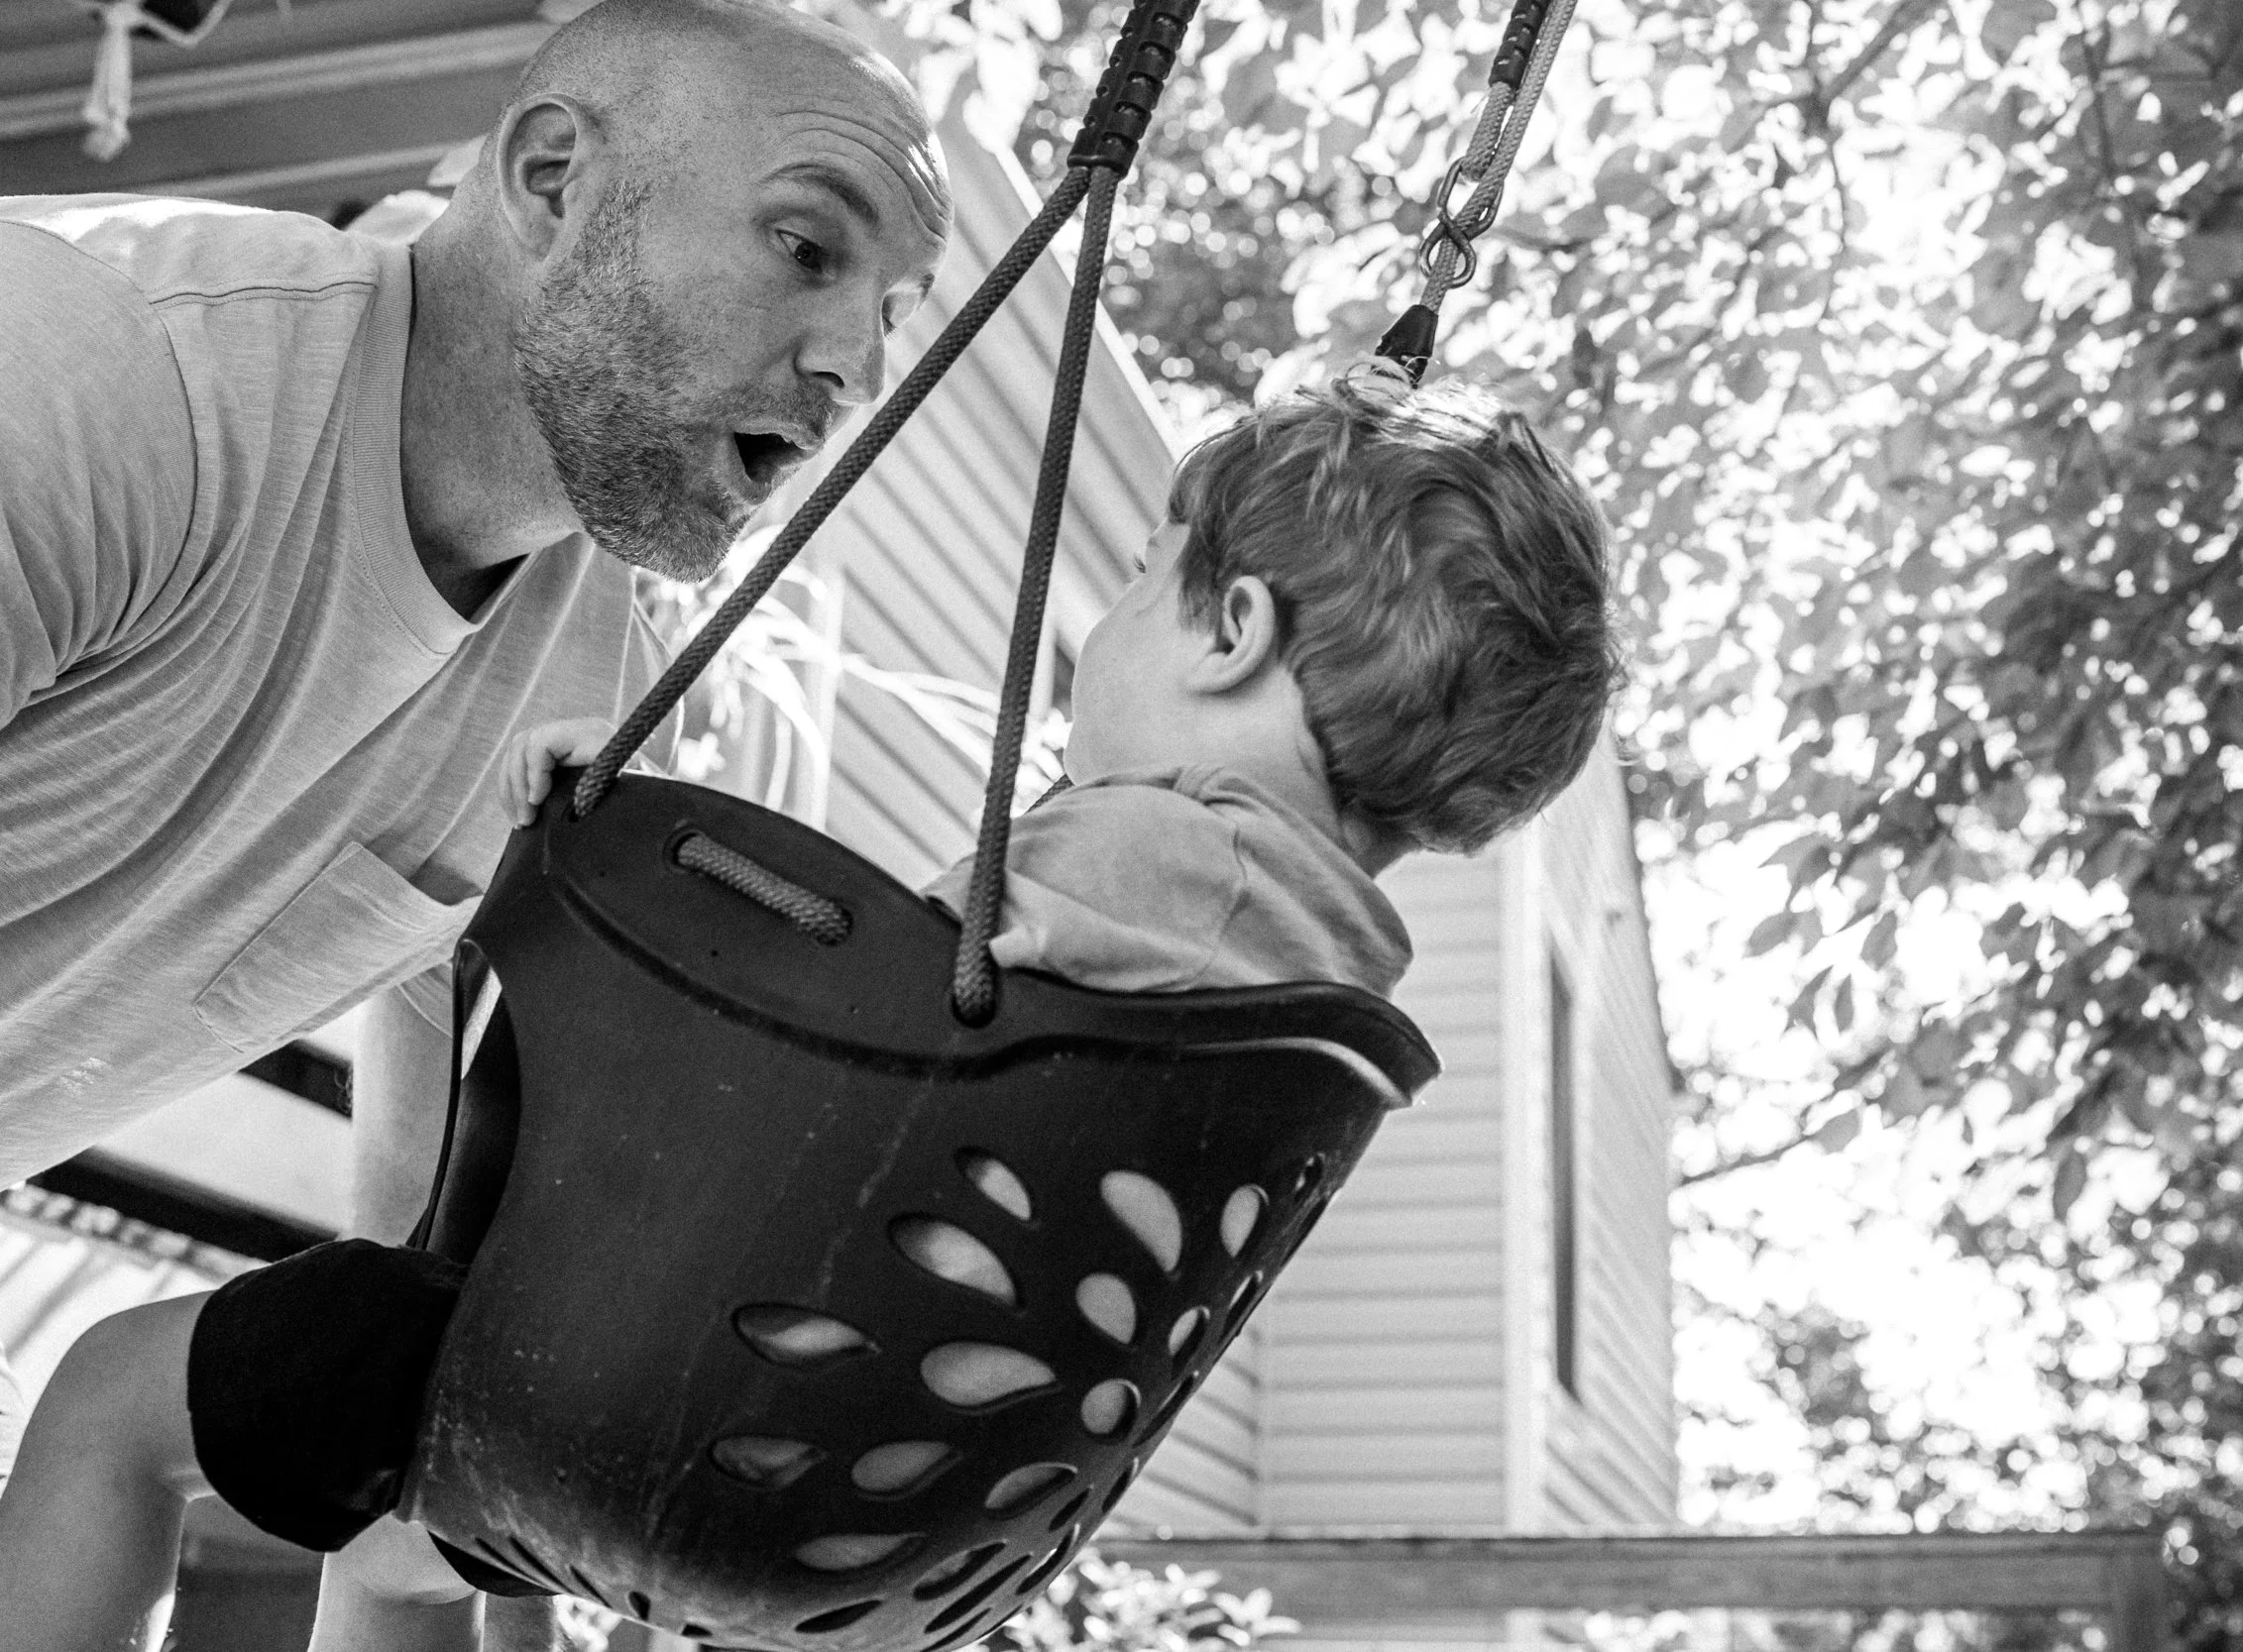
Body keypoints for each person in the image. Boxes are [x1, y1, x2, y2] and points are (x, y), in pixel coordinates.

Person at [0, 378, 1620, 1650]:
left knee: (106, 1399)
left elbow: (831, 1025)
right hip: (896, 1513)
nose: (1092, 637)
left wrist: (631, 823)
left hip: (662, 1378)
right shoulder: (1322, 997)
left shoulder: (1150, 854)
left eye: (1132, 580)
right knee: (405, 1553)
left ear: (1231, 631)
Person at [0, 0, 947, 1640]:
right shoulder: (107, 371)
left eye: (888, 310)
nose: (855, 364)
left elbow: (413, 1228)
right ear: (556, 175)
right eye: (807, 247)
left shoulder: (596, 684)